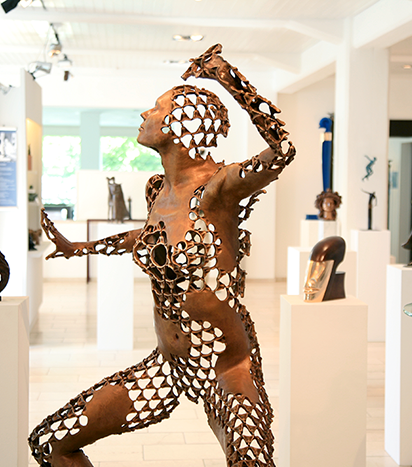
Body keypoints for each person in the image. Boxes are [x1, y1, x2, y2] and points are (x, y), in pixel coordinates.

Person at [30, 44, 295, 467]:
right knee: (50, 443)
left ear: (180, 123)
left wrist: (228, 78)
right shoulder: (160, 190)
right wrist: (82, 247)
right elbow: (152, 238)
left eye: (156, 108)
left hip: (224, 367)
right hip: (167, 367)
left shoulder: (218, 188)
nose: (145, 114)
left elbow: (281, 150)